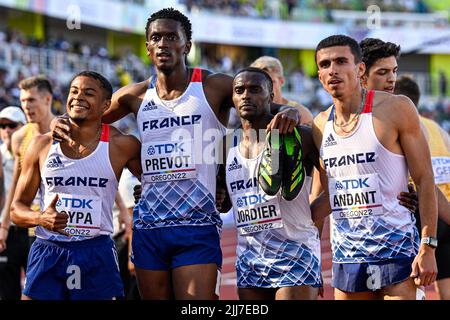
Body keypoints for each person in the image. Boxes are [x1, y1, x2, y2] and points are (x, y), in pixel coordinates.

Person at [51, 8, 299, 300]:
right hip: (150, 227)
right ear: (147, 47)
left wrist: (288, 111)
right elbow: (88, 117)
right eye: (156, 37)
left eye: (172, 37)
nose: (163, 43)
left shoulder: (212, 85)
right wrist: (60, 121)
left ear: (187, 45)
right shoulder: (136, 95)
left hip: (197, 225)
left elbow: (254, 98)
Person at [311, 35, 438, 300]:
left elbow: (425, 179)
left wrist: (428, 246)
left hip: (397, 252)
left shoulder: (397, 109)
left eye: (340, 61)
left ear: (359, 69)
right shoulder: (319, 125)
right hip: (348, 257)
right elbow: (325, 197)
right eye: (324, 64)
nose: (332, 69)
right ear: (319, 75)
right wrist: (308, 255)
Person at [10, 71, 141, 300]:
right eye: (74, 91)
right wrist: (41, 218)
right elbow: (16, 210)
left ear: (105, 105)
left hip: (95, 251)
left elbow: (157, 181)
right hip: (48, 249)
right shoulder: (41, 145)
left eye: (89, 93)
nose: (78, 97)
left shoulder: (123, 145)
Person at [218, 67, 322, 300]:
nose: (246, 95)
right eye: (239, 90)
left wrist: (313, 213)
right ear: (233, 98)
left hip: (296, 255)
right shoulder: (226, 145)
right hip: (250, 260)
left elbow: (337, 181)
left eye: (255, 89)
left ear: (271, 96)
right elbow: (223, 203)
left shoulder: (298, 136)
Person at [359, 38, 450, 226]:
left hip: (411, 229)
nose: (392, 78)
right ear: (361, 74)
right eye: (383, 72)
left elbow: (425, 182)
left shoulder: (407, 120)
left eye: (394, 71)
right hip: (352, 246)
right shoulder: (330, 121)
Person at [394, 75, 450, 300]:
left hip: (424, 214)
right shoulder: (438, 129)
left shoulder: (405, 129)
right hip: (446, 211)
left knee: (413, 287)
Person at [0, 106, 27, 300]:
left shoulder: (36, 151)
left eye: (12, 125)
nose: (7, 130)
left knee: (37, 288)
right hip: (6, 231)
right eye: (2, 126)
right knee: (7, 290)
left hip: (32, 229)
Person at [250, 56, 314, 126]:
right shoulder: (251, 112)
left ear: (282, 81)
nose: (265, 87)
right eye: (260, 83)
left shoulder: (301, 114)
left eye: (271, 82)